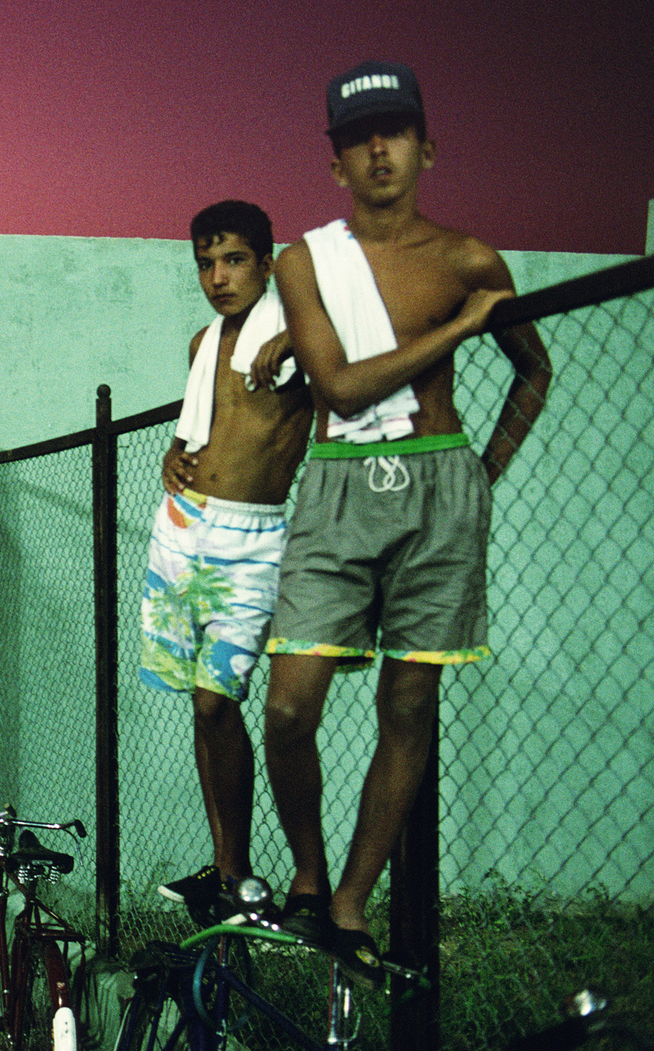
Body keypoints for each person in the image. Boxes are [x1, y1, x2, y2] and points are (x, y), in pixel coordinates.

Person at [262, 61, 551, 983]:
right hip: (340, 485)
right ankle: (305, 871)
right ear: (335, 162)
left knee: (409, 701)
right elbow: (339, 389)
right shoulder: (303, 262)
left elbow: (532, 369)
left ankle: (350, 899)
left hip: (439, 490)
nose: (377, 148)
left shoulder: (470, 260)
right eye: (357, 137)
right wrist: (459, 329)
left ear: (425, 147)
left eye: (393, 131)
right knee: (288, 701)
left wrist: (482, 473)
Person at [139, 200, 313, 923]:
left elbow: (356, 329)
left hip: (252, 540)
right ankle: (226, 868)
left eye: (233, 259)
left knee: (220, 696)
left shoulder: (303, 331)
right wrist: (174, 453)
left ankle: (290, 877)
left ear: (267, 263)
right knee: (198, 705)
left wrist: (303, 327)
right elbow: (200, 428)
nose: (217, 276)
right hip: (182, 530)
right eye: (205, 264)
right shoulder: (201, 341)